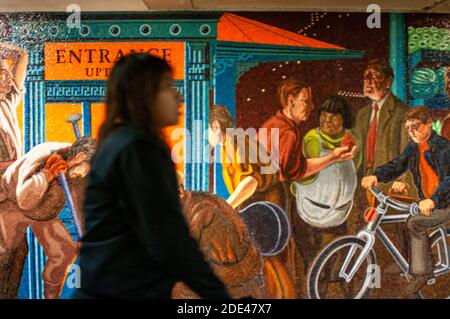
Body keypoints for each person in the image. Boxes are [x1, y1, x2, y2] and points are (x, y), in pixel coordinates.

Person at [76, 53, 230, 299]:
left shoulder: (119, 142)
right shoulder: (140, 149)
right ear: (145, 97)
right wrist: (220, 297)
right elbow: (170, 237)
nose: (177, 96)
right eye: (168, 87)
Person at [258, 79, 356, 296]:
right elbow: (296, 173)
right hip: (279, 201)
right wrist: (333, 157)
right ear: (291, 101)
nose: (311, 107)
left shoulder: (275, 124)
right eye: (306, 101)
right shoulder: (291, 134)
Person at [361, 106, 450, 296]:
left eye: (416, 126)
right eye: (408, 128)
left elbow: (448, 180)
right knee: (401, 215)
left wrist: (433, 200)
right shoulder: (413, 147)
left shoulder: (442, 148)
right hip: (430, 201)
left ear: (428, 124)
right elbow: (398, 164)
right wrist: (376, 176)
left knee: (415, 223)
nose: (412, 132)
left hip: (446, 203)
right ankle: (408, 259)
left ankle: (422, 272)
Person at [0, 137, 96, 298]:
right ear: (79, 157)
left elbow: (78, 200)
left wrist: (83, 235)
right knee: (4, 253)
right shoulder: (44, 155)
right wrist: (47, 173)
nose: (86, 174)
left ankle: (51, 297)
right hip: (13, 205)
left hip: (43, 214)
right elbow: (25, 200)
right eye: (88, 169)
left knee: (64, 249)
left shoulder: (76, 170)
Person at [292, 96, 357, 266]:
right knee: (313, 258)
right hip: (310, 211)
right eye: (324, 115)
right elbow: (304, 172)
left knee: (335, 258)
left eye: (334, 116)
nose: (327, 120)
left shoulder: (352, 139)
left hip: (339, 214)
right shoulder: (312, 139)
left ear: (344, 118)